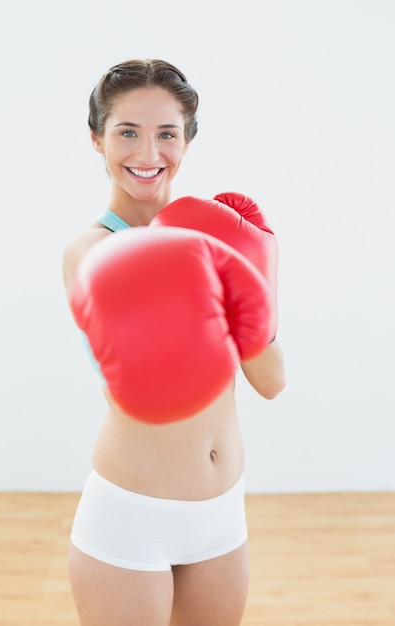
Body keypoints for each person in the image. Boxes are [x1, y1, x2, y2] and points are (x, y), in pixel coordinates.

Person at [62, 59, 286, 626]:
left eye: (167, 133)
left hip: (221, 514)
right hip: (134, 515)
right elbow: (152, 375)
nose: (148, 153)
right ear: (97, 139)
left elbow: (271, 381)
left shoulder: (213, 236)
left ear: (187, 141)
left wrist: (257, 277)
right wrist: (217, 267)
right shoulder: (91, 250)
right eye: (127, 132)